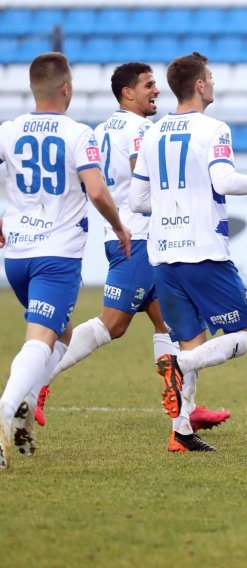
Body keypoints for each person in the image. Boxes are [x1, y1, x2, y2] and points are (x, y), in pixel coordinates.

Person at [34, 62, 231, 433]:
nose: (156, 91)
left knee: (172, 324)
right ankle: (38, 382)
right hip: (139, 237)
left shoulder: (101, 129)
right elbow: (146, 178)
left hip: (127, 236)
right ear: (128, 92)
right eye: (148, 85)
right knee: (113, 323)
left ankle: (184, 411)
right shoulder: (142, 129)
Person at [129, 52, 247, 452]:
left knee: (191, 340)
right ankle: (178, 368)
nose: (214, 84)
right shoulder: (214, 129)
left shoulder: (151, 133)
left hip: (163, 254)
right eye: (211, 78)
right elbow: (224, 182)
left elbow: (137, 199)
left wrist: (176, 203)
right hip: (203, 250)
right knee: (243, 334)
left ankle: (181, 432)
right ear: (201, 85)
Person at [0, 52, 131, 469]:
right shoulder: (78, 134)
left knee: (63, 335)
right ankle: (6, 410)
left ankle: (22, 410)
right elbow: (95, 191)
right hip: (56, 255)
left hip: (17, 255)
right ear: (67, 89)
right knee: (40, 338)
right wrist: (120, 225)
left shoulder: (8, 130)